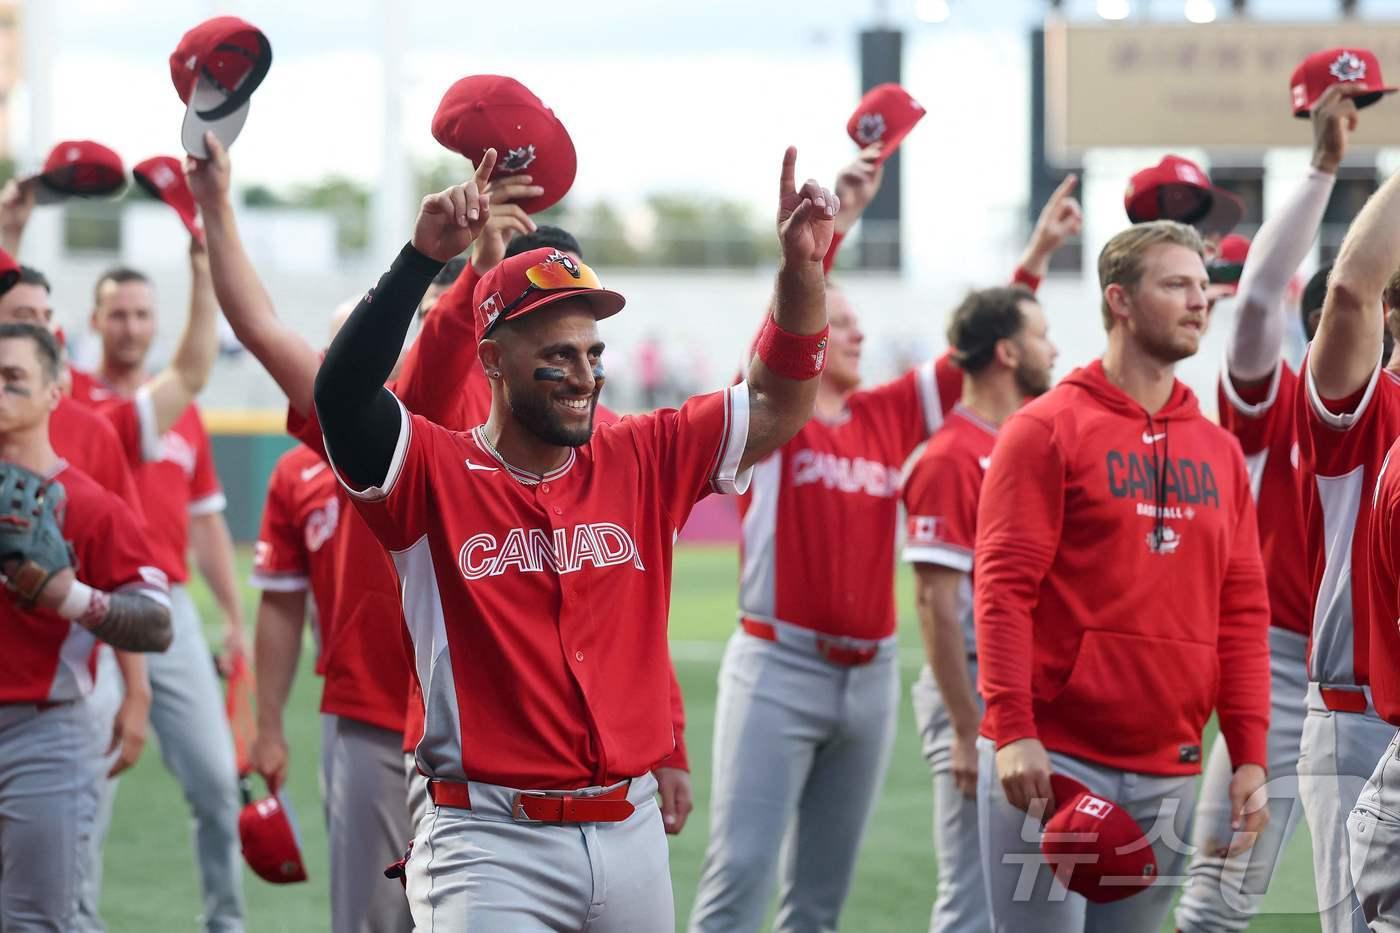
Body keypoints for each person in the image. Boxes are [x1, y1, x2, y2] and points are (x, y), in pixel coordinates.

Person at [312, 146, 835, 929]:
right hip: (487, 841)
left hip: (630, 829)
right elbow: (342, 396)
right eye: (558, 355)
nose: (586, 375)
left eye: (593, 353)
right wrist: (421, 258)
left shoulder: (642, 453)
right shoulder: (429, 471)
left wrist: (800, 271)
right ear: (493, 360)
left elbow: (776, 402)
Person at [689, 153, 1077, 933]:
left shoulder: (885, 414)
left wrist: (1034, 257)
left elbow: (987, 354)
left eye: (858, 322)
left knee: (820, 900)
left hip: (868, 677)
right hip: (779, 665)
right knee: (739, 878)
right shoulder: (774, 422)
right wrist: (826, 242)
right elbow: (783, 326)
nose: (858, 331)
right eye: (839, 323)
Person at [974, 220, 1271, 932]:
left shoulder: (1220, 451)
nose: (1198, 300)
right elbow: (1003, 591)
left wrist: (1250, 755)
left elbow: (1241, 613)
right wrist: (1013, 729)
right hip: (1053, 763)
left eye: (1202, 286)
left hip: (1170, 765)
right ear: (1121, 300)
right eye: (1176, 284)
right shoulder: (1044, 428)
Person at [1174, 83, 1365, 933]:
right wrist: (1324, 166)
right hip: (1285, 669)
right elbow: (1254, 300)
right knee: (1213, 908)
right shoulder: (1274, 402)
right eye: (1335, 318)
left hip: (1384, 673)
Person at [68, 249, 243, 931]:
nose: (132, 326)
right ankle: (74, 920)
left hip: (168, 608)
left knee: (218, 781)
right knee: (88, 786)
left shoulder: (183, 417)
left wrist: (233, 617)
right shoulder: (74, 403)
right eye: (119, 314)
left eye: (142, 314)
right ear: (95, 320)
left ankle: (225, 922)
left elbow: (206, 522)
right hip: (91, 607)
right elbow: (194, 369)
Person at [0, 321, 172, 931]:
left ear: (55, 391)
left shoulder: (89, 505)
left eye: (12, 378)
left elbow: (156, 624)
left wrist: (68, 596)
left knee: (33, 922)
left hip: (42, 734)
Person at [901, 286, 1056, 933]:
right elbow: (934, 602)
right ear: (1007, 352)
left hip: (1019, 684)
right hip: (972, 687)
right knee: (972, 899)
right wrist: (966, 728)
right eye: (1042, 336)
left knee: (1029, 891)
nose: (1054, 350)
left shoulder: (1026, 441)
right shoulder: (949, 456)